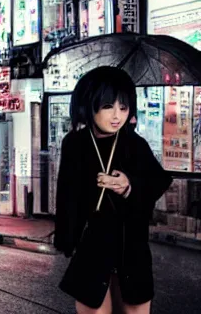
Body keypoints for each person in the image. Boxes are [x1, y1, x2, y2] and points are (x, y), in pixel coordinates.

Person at [55, 67, 172, 314]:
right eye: (108, 106)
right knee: (93, 307)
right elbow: (66, 194)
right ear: (89, 106)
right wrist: (67, 236)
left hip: (132, 243)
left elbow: (158, 181)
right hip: (93, 244)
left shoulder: (134, 143)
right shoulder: (75, 144)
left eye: (124, 106)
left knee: (135, 306)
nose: (117, 115)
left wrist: (129, 186)